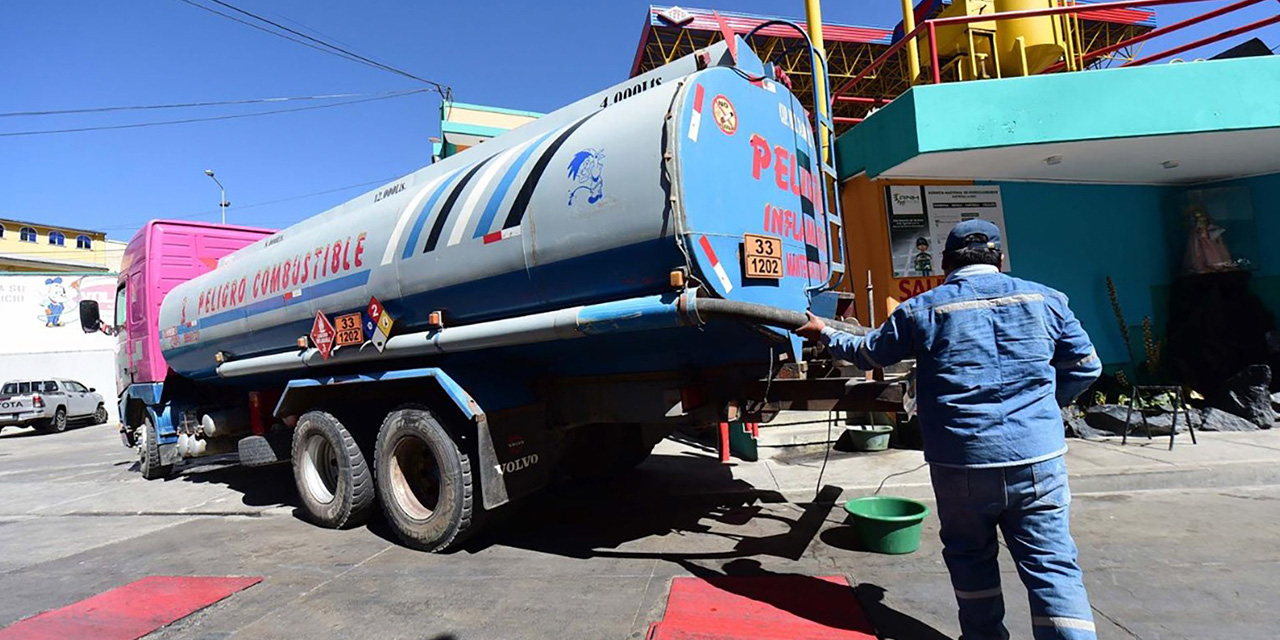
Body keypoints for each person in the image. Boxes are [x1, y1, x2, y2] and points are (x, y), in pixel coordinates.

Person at [795, 219, 1102, 640]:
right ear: (1000, 259)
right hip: (1038, 460)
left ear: (944, 263)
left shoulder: (924, 309)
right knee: (1051, 564)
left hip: (961, 461)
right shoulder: (1047, 300)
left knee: (971, 557)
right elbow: (1087, 367)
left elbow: (867, 354)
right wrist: (1046, 406)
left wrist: (823, 331)